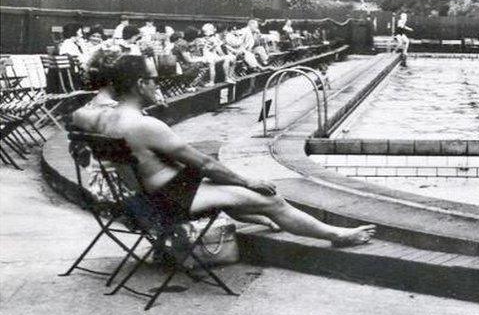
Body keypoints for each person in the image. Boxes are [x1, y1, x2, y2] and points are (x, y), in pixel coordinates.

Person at [79, 55, 376, 245]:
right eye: (155, 79)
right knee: (267, 197)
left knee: (235, 193)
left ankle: (265, 216)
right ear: (141, 83)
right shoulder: (145, 125)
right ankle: (334, 235)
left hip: (144, 197)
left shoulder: (105, 118)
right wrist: (248, 182)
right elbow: (205, 164)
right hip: (169, 201)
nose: (158, 85)